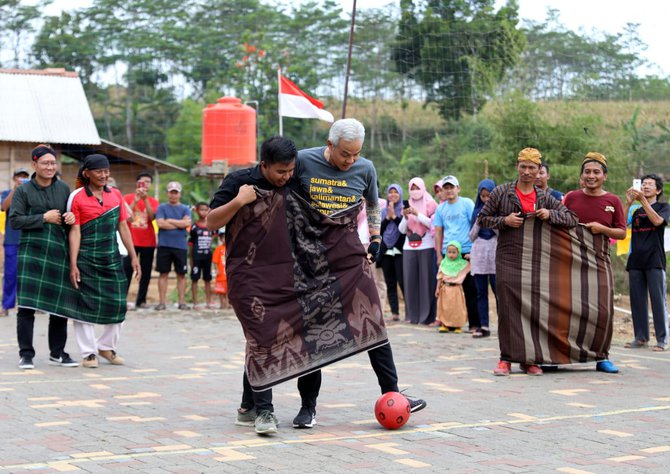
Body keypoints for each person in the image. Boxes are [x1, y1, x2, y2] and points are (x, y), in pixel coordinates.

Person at [293, 118, 426, 430]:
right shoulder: (303, 161)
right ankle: (307, 407)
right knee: (313, 333)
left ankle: (393, 394)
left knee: (372, 325)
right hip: (310, 262)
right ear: (330, 144)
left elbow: (373, 204)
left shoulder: (365, 168)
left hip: (350, 257)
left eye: (356, 154)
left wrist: (377, 237)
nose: (350, 160)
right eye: (345, 154)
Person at [207, 136, 298, 435]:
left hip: (281, 274)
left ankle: (247, 406)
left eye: (290, 171)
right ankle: (265, 412)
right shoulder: (238, 182)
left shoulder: (293, 183)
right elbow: (211, 222)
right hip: (244, 274)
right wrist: (238, 201)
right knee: (261, 338)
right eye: (280, 171)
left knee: (264, 339)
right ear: (263, 165)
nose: (286, 177)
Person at [477, 147, 578, 376]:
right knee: (508, 308)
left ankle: (529, 359)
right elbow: (482, 219)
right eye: (523, 166)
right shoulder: (502, 192)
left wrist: (549, 215)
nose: (527, 171)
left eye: (532, 168)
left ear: (539, 171)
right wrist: (504, 220)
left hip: (535, 259)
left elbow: (572, 219)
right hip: (508, 257)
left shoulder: (544, 197)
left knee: (532, 309)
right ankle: (506, 359)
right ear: (517, 167)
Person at [8, 145, 78, 369]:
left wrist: (69, 217)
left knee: (59, 306)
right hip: (32, 252)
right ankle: (26, 354)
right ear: (34, 165)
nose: (50, 167)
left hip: (59, 251)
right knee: (27, 306)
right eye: (45, 163)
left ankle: (57, 353)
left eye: (53, 163)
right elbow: (15, 221)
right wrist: (43, 218)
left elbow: (71, 218)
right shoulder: (23, 191)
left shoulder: (64, 189)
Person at [67, 154, 140, 368]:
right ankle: (88, 353)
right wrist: (73, 264)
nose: (103, 175)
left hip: (111, 257)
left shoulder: (116, 195)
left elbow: (124, 226)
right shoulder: (77, 196)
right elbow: (75, 231)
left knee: (118, 303)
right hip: (86, 258)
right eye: (98, 171)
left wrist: (134, 256)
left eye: (106, 171)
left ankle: (106, 347)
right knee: (84, 306)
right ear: (86, 173)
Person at [563, 152, 626, 373]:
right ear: (581, 176)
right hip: (571, 260)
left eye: (596, 172)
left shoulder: (613, 201)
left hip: (600, 260)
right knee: (570, 307)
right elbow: (560, 221)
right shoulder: (571, 197)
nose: (591, 176)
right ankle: (564, 355)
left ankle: (601, 356)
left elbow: (621, 233)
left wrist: (602, 229)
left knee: (602, 309)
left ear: (604, 176)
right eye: (587, 172)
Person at [623, 174, 669, 351]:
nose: (646, 186)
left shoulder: (664, 207)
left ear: (658, 190)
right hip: (635, 261)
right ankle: (641, 337)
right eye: (643, 184)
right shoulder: (635, 210)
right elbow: (620, 224)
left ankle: (662, 340)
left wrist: (643, 201)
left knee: (658, 301)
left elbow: (657, 221)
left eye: (650, 184)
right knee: (637, 301)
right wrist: (628, 203)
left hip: (655, 260)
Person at [433, 175, 479, 332]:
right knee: (449, 291)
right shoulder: (440, 209)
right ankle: (449, 323)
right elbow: (438, 231)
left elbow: (475, 225)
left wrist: (474, 249)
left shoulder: (467, 203)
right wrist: (439, 255)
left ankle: (474, 324)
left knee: (470, 289)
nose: (449, 190)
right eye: (446, 188)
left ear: (458, 188)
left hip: (466, 251)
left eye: (452, 187)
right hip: (449, 254)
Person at [398, 177, 437, 325]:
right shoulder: (408, 204)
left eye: (417, 188)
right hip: (409, 246)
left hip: (426, 244)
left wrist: (417, 214)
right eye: (412, 188)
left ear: (423, 187)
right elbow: (402, 230)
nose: (414, 191)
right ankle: (412, 316)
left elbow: (432, 224)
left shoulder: (431, 203)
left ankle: (426, 317)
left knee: (426, 282)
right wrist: (405, 217)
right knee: (410, 282)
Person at [123, 172, 159, 309]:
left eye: (148, 182)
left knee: (146, 272)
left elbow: (152, 218)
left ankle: (141, 300)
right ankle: (123, 299)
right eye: (143, 182)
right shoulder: (127, 198)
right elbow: (126, 216)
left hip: (148, 242)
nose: (145, 185)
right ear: (137, 183)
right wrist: (136, 200)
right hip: (130, 240)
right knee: (126, 270)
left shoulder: (153, 201)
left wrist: (145, 200)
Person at [155, 181, 191, 311]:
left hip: (180, 246)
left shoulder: (185, 208)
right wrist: (179, 223)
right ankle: (162, 302)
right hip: (164, 245)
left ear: (180, 194)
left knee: (181, 274)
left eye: (176, 192)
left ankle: (182, 302)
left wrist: (169, 220)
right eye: (171, 192)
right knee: (163, 273)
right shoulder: (161, 208)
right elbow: (160, 224)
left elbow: (187, 224)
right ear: (167, 193)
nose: (173, 195)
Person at [468, 179, 498, 338]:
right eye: (483, 196)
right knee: (480, 292)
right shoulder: (476, 211)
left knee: (498, 291)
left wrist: (491, 220)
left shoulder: (500, 210)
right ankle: (483, 326)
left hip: (494, 254)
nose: (486, 199)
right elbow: (471, 236)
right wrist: (480, 220)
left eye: (489, 196)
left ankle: (504, 325)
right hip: (479, 254)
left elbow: (501, 234)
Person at [1, 167, 30, 317]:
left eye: (25, 177)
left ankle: (32, 305)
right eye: (19, 177)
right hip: (12, 240)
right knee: (10, 274)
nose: (21, 179)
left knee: (30, 274)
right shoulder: (6, 193)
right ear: (14, 179)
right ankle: (6, 306)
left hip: (29, 239)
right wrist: (15, 190)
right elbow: (4, 207)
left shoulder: (31, 193)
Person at [379, 184, 405, 321]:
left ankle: (409, 311)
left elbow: (403, 230)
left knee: (402, 280)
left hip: (400, 250)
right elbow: (379, 230)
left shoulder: (403, 209)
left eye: (396, 192)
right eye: (390, 192)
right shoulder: (383, 211)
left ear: (400, 194)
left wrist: (394, 216)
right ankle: (395, 312)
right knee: (390, 282)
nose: (393, 194)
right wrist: (388, 218)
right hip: (386, 250)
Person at [435, 240, 470, 332]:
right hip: (445, 289)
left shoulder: (462, 264)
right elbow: (439, 277)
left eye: (454, 252)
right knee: (445, 307)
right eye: (449, 252)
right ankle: (445, 324)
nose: (451, 255)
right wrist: (437, 289)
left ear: (458, 253)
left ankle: (458, 325)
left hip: (456, 289)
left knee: (457, 307)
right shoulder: (443, 263)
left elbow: (472, 266)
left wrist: (471, 257)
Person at [189, 202, 214, 309]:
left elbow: (214, 239)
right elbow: (191, 244)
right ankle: (195, 303)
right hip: (196, 257)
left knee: (207, 279)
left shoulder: (212, 225)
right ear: (197, 211)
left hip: (207, 256)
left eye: (205, 210)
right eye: (201, 210)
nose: (203, 212)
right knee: (195, 279)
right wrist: (191, 259)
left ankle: (208, 302)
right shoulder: (194, 227)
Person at [211, 229, 229, 310]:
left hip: (229, 274)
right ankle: (222, 304)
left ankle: (228, 303)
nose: (224, 239)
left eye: (226, 237)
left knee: (228, 290)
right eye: (223, 237)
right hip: (221, 273)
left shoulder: (231, 248)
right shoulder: (218, 249)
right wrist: (216, 269)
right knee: (221, 291)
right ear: (220, 239)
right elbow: (215, 261)